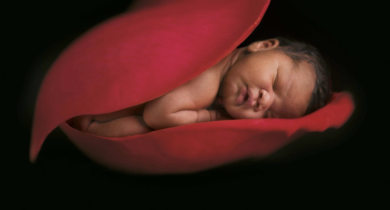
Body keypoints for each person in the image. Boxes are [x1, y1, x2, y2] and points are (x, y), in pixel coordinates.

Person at [72, 37, 332, 137]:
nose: (263, 100)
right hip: (99, 103)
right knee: (146, 127)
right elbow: (157, 114)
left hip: (98, 92)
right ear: (262, 45)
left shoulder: (225, 71)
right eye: (275, 82)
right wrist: (207, 116)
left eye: (270, 114)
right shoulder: (208, 80)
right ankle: (92, 126)